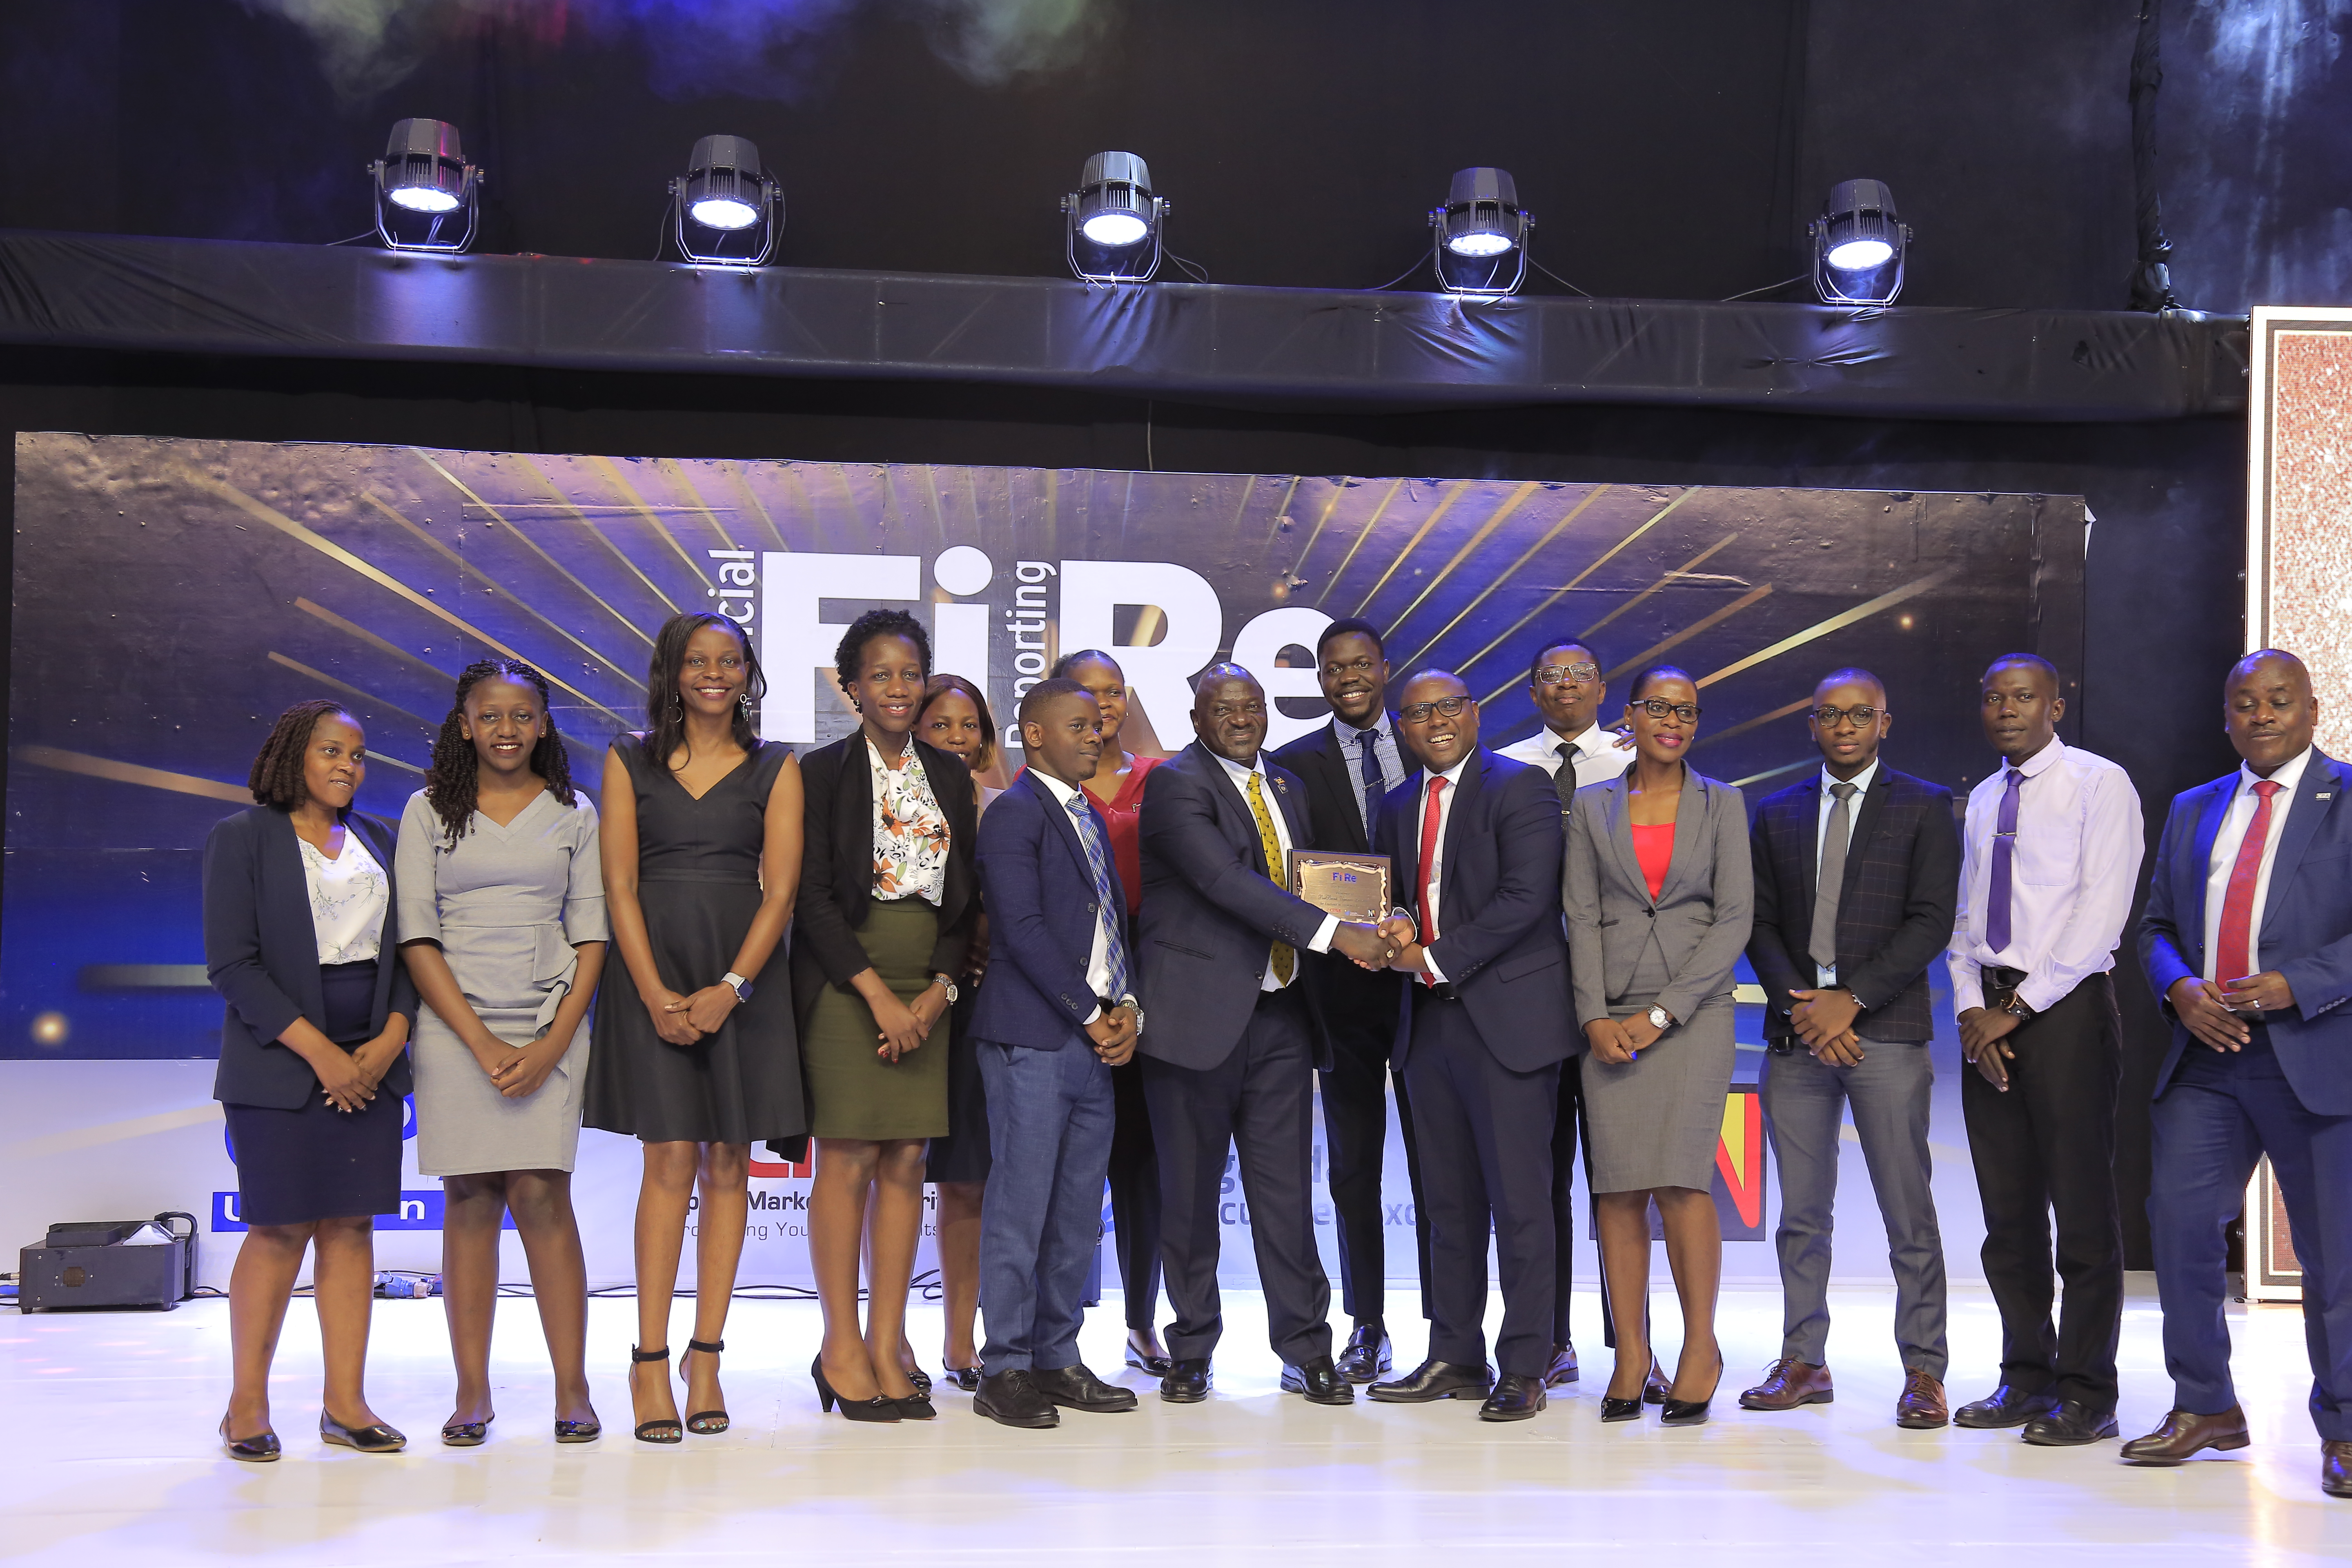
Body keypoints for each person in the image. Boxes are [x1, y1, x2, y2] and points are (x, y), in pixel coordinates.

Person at [1135, 663, 1396, 1403]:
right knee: (1188, 1195)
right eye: (1225, 709)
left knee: (1284, 1194)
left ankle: (1306, 1349)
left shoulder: (1286, 787)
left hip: (1283, 1014)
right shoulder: (1176, 785)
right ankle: (1190, 1349)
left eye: (1252, 706)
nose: (1242, 718)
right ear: (1197, 719)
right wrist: (1339, 934)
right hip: (1194, 1020)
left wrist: (1377, 921)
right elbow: (1225, 882)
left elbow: (1314, 880)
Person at [2130, 649, 2352, 1499]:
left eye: (2279, 701)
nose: (2261, 716)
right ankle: (2206, 1407)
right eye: (2245, 703)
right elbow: (2153, 926)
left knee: (2335, 1257)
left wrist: (2299, 983)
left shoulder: (2347, 797)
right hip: (2207, 1057)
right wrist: (2180, 989)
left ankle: (2346, 1424)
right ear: (2226, 716)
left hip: (2317, 1055)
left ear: (2312, 710)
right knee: (2181, 1232)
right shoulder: (2194, 808)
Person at [585, 611, 804, 1444]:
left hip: (741, 980)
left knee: (725, 1164)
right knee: (668, 1159)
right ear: (672, 672)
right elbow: (620, 884)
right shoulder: (626, 759)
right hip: (654, 975)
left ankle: (704, 1356)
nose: (714, 673)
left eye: (730, 661)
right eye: (697, 661)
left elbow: (780, 892)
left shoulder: (775, 767)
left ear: (747, 674)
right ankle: (648, 1359)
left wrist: (732, 988)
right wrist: (651, 992)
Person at [1740, 668, 1959, 1429]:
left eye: (1858, 715)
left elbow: (1931, 921)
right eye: (1829, 715)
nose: (1843, 727)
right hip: (1799, 1036)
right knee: (1802, 1212)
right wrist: (1808, 1010)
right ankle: (1804, 1359)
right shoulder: (1776, 812)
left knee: (1909, 1211)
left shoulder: (1928, 806)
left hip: (1886, 1034)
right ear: (1812, 724)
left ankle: (1924, 1371)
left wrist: (1851, 1002)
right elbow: (1759, 924)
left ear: (1884, 723)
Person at [397, 659, 608, 1447]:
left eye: (523, 715)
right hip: (456, 1026)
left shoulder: (574, 811)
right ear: (465, 726)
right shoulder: (427, 812)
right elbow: (416, 934)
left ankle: (574, 1389)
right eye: (492, 716)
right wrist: (480, 1041)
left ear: (544, 725)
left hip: (551, 1019)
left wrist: (553, 1041)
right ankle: (472, 1393)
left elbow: (592, 936)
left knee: (543, 1195)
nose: (508, 729)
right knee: (471, 1199)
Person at [205, 700, 417, 1461]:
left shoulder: (380, 840)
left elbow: (410, 952)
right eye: (331, 751)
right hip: (280, 1065)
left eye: (358, 756)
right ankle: (247, 1407)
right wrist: (324, 1055)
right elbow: (234, 965)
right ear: (294, 753)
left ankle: (345, 1404)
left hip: (374, 1063)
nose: (347, 767)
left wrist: (392, 1038)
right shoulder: (243, 839)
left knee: (352, 1227)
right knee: (279, 1228)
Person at [1363, 670, 1572, 1420]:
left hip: (1509, 1024)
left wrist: (1433, 955)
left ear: (1474, 715)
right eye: (1417, 714)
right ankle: (1455, 1353)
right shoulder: (1394, 807)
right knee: (1446, 1206)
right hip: (1428, 1026)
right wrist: (1393, 932)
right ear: (1402, 728)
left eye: (1448, 708)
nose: (1435, 723)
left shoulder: (1523, 788)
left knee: (1520, 1204)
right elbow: (1396, 902)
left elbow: (1527, 899)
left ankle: (1525, 1363)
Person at [1945, 653, 2141, 1446]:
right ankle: (2025, 1376)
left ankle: (2088, 1391)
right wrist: (1971, 1012)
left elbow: (2102, 913)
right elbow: (1966, 922)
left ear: (2057, 704)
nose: (2007, 710)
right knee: (2008, 1215)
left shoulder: (2101, 784)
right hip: (1989, 1013)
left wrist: (2018, 1009)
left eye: (2024, 697)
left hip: (2063, 1010)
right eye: (1994, 697)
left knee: (2083, 1212)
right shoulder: (1986, 796)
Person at [792, 610, 980, 1423]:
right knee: (848, 1161)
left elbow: (968, 900)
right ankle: (839, 1347)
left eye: (911, 674)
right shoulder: (820, 773)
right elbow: (813, 899)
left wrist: (938, 993)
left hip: (928, 989)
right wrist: (877, 996)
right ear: (851, 687)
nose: (898, 689)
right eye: (880, 675)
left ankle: (886, 1342)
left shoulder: (950, 775)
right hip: (848, 983)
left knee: (907, 1162)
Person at [1564, 666, 1751, 1425]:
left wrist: (1665, 1014)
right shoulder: (1590, 805)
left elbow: (1734, 918)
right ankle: (1633, 1355)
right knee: (1617, 1187)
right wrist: (1593, 1017)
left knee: (1681, 1183)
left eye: (1688, 712)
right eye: (1660, 708)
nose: (1673, 722)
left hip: (1694, 1015)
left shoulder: (1724, 804)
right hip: (1607, 1015)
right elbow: (1579, 914)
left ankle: (1700, 1349)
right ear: (1632, 716)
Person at [965, 678, 1145, 1428]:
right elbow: (1022, 930)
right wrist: (1092, 1012)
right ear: (1033, 734)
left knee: (1075, 1212)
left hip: (1091, 1041)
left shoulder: (1085, 817)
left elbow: (1108, 926)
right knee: (1022, 1206)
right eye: (1077, 725)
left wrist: (1128, 1008)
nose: (1095, 735)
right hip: (1034, 1037)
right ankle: (1003, 1367)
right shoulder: (1014, 814)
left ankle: (1056, 1357)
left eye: (1100, 726)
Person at [1269, 616, 1429, 1383]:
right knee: (1353, 1169)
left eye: (1361, 664)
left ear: (1385, 669)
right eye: (1334, 669)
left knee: (1442, 1170)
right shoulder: (1293, 767)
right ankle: (1368, 1325)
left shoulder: (1434, 750)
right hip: (1341, 993)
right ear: (1321, 680)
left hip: (1435, 987)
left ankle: (1451, 1327)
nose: (1348, 678)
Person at [1497, 637, 1637, 1387]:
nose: (1566, 686)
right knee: (1540, 1178)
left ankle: (1633, 1345)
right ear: (1533, 692)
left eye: (1580, 674)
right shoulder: (1508, 765)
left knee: (1620, 1177)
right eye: (1551, 676)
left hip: (1616, 996)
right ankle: (1550, 1339)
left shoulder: (1635, 760)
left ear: (1604, 686)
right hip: (1528, 998)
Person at [1054, 648, 1174, 1376]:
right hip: (1062, 992)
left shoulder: (1161, 780)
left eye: (1114, 691)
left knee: (1141, 1167)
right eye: (1086, 692)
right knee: (1063, 1168)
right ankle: (1050, 1329)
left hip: (1146, 990)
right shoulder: (1039, 788)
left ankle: (1141, 1322)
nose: (1103, 704)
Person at [905, 674, 1001, 1392]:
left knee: (969, 1181)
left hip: (984, 1010)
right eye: (943, 725)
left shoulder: (1007, 808)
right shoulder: (893, 807)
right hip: (905, 1001)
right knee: (895, 1174)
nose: (960, 738)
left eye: (971, 725)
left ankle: (962, 1341)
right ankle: (881, 1337)